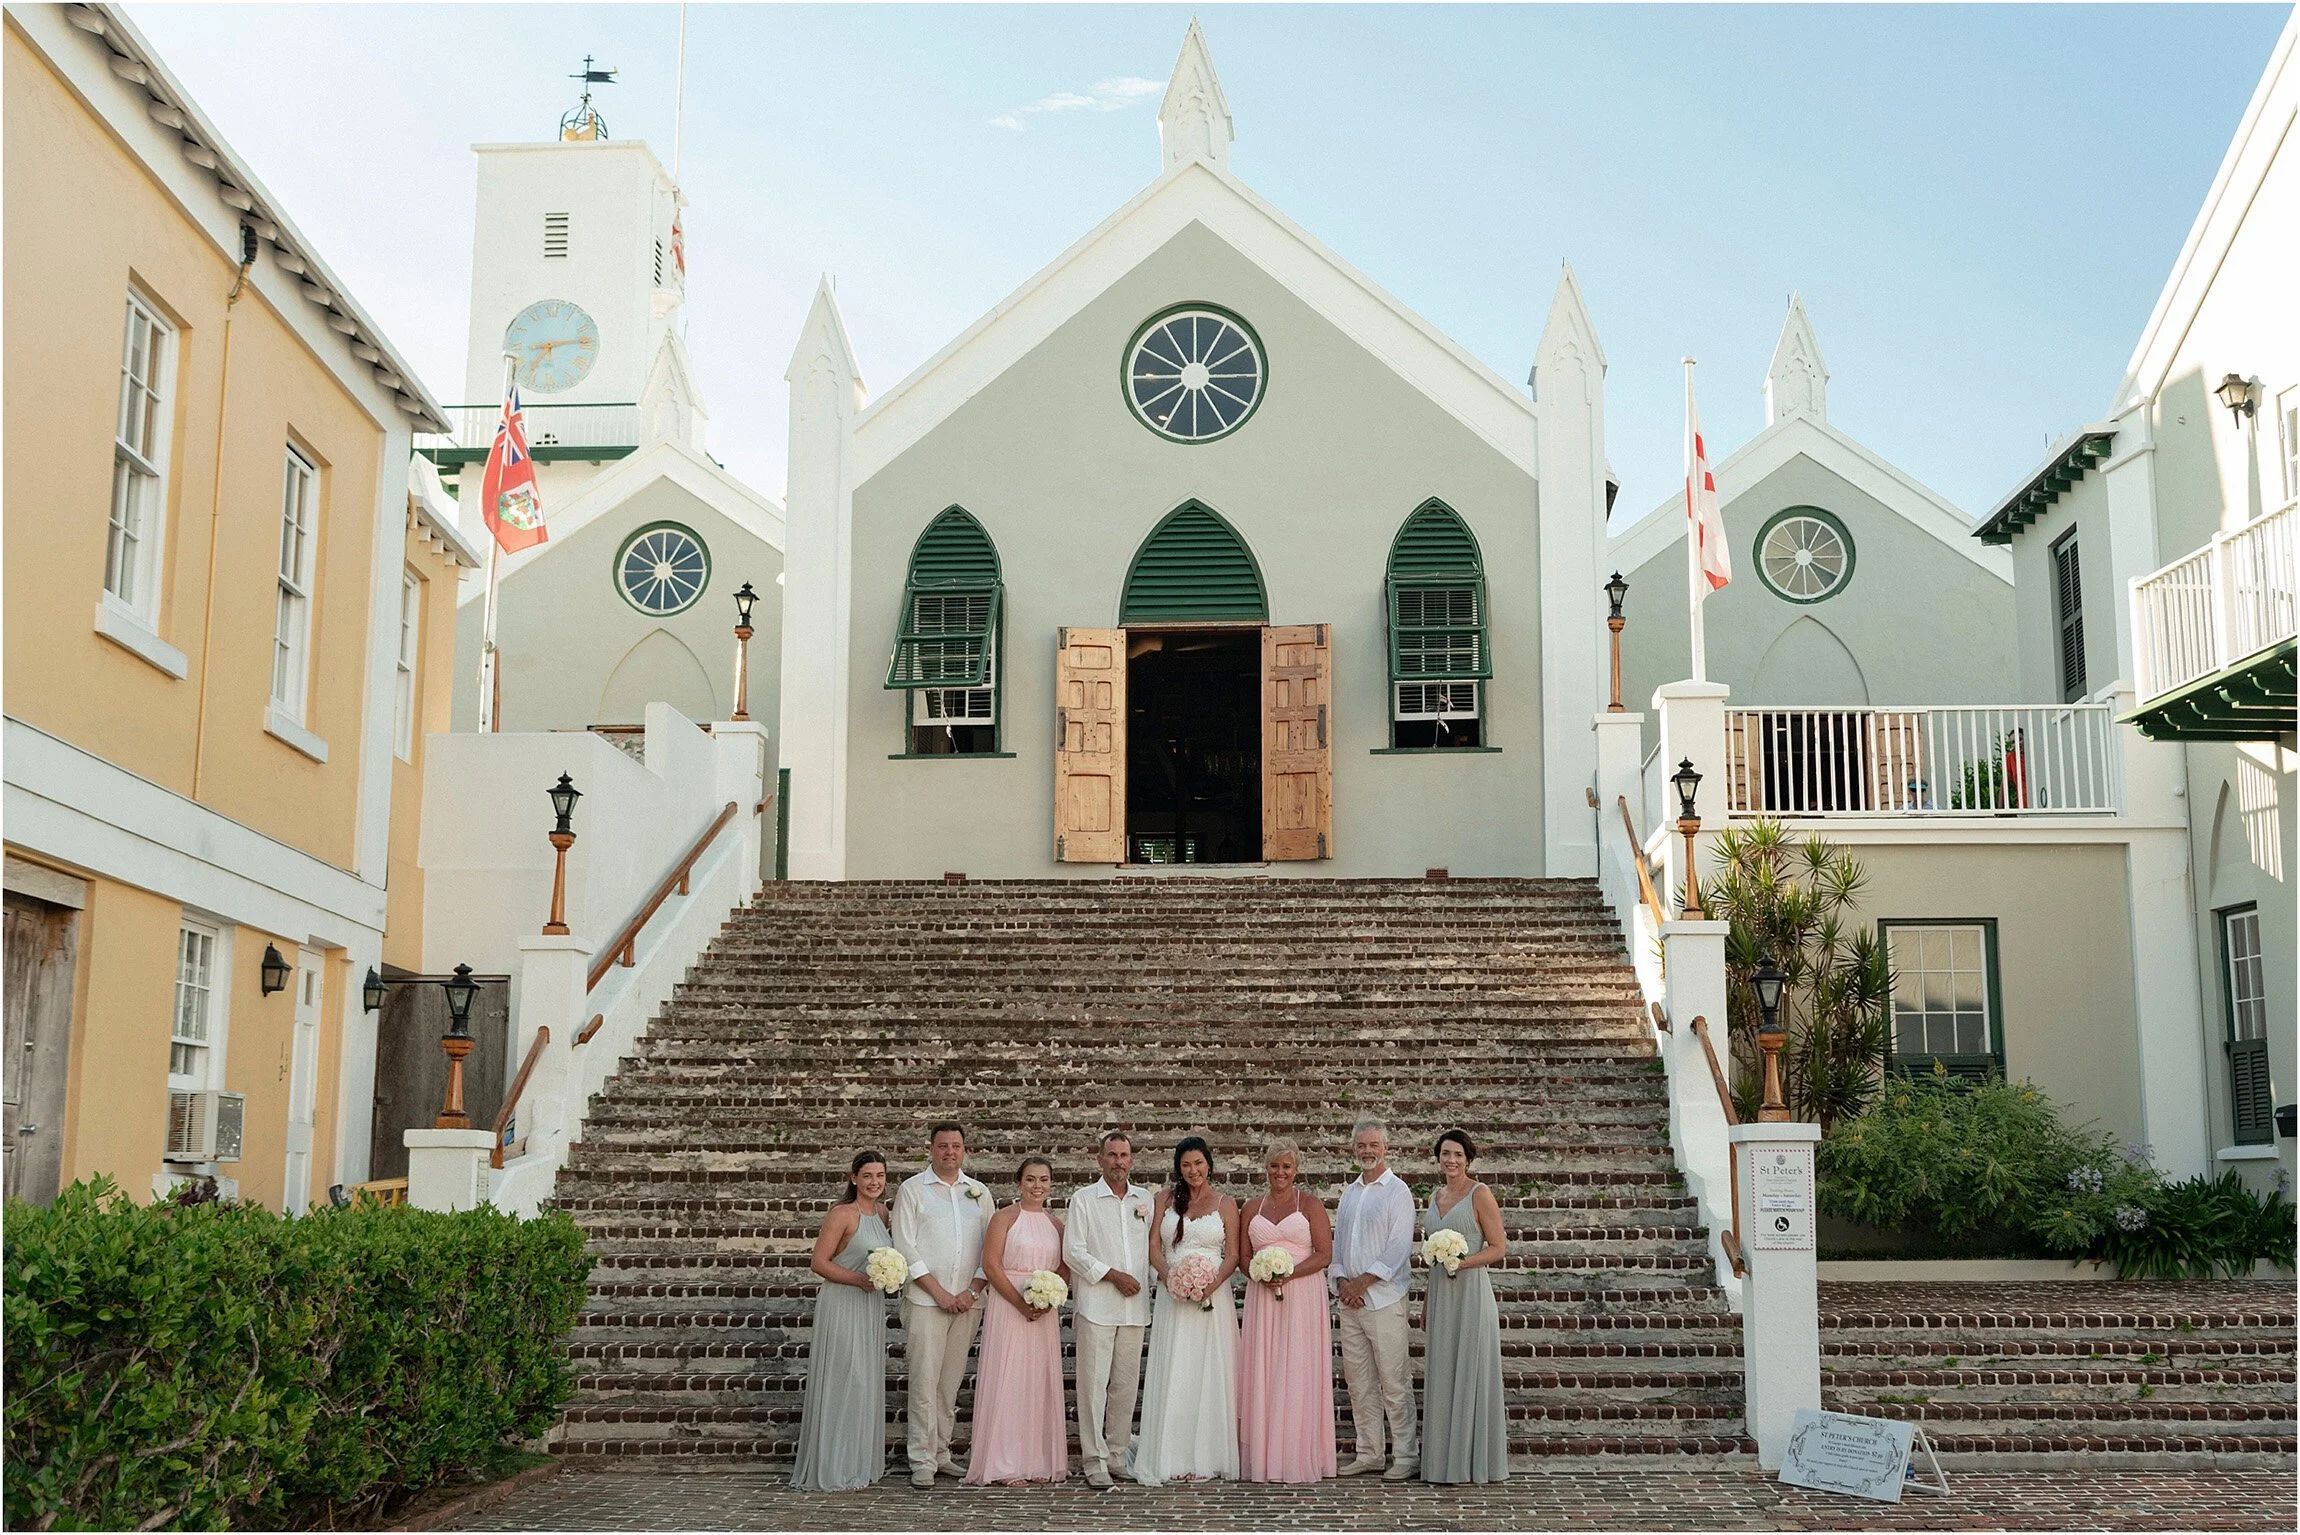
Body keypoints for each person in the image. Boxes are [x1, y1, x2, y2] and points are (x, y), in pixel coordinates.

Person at [1131, 1135, 1240, 1485]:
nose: (1193, 1170)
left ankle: (1207, 1456)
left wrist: (1210, 1285)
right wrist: (1170, 1278)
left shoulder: (1225, 1203)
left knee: (1208, 1372)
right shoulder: (1163, 1199)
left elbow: (1234, 1255)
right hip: (1172, 1296)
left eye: (1198, 1163)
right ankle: (1170, 1454)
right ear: (1178, 1168)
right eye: (1186, 1165)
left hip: (1213, 1297)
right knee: (1175, 1368)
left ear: (1209, 1163)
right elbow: (1153, 1247)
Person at [890, 1122, 992, 1487]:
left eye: (956, 1146)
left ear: (964, 1150)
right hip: (926, 1301)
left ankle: (942, 1452)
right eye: (943, 1146)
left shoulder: (979, 1193)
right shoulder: (913, 1190)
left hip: (968, 1303)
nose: (950, 1152)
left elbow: (990, 1248)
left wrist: (972, 1290)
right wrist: (939, 1292)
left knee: (949, 1384)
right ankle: (921, 1458)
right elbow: (905, 1244)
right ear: (931, 1149)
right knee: (924, 1382)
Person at [790, 1151, 896, 1491]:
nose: (874, 1182)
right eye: (867, 1175)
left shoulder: (882, 1213)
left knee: (865, 1380)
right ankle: (835, 1466)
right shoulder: (842, 1214)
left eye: (879, 1175)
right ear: (853, 1178)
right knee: (846, 1378)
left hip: (870, 1306)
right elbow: (818, 1263)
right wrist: (858, 1280)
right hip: (843, 1302)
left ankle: (858, 1462)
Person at [1236, 1138, 1336, 1483]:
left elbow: (1324, 1254)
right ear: (1266, 1168)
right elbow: (1244, 1257)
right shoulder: (1250, 1207)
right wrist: (1261, 1275)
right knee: (1265, 1367)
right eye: (1275, 1166)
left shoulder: (1309, 1204)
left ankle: (1295, 1452)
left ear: (1296, 1169)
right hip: (1263, 1297)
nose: (1280, 1172)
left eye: (1287, 1167)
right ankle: (1264, 1454)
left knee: (1297, 1367)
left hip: (1302, 1295)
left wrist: (1288, 1273)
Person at [966, 1157, 1070, 1485]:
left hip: (1043, 1312)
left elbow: (1065, 1267)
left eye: (1043, 1180)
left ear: (1051, 1184)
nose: (1037, 1186)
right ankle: (1003, 1463)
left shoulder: (1057, 1224)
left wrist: (1050, 1295)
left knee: (1038, 1381)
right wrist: (1020, 1303)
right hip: (1009, 1305)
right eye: (1030, 1180)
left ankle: (1037, 1461)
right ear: (1018, 1182)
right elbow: (991, 1265)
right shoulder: (1004, 1218)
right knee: (1008, 1378)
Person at [1063, 1130, 1155, 1489]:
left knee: (1126, 1386)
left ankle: (1117, 1455)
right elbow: (1074, 1251)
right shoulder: (1084, 1199)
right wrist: (1112, 1275)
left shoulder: (1143, 1199)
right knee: (1093, 1385)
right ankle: (1094, 1460)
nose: (1118, 1161)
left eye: (1124, 1155)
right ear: (1099, 1159)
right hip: (1097, 1306)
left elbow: (1150, 1250)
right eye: (1112, 1155)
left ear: (1131, 1160)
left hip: (1135, 1309)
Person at [1420, 1128, 1510, 1484]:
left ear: (1468, 1159)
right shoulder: (1434, 1196)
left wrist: (1463, 1261)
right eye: (1445, 1154)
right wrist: (1428, 1303)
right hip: (1441, 1294)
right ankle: (1442, 1463)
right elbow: (1430, 1260)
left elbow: (1499, 1247)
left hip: (1471, 1292)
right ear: (1438, 1158)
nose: (1451, 1160)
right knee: (1443, 1374)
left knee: (1471, 1373)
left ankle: (1472, 1463)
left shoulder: (1480, 1194)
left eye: (1458, 1154)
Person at [1331, 1117, 1419, 1480]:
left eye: (1373, 1145)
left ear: (1386, 1148)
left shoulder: (1397, 1192)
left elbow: (1398, 1249)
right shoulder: (1350, 1193)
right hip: (1350, 1304)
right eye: (1361, 1145)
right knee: (1359, 1382)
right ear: (1354, 1149)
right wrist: (1341, 1283)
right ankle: (1369, 1452)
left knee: (1394, 1381)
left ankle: (1405, 1456)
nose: (1367, 1151)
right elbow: (1339, 1245)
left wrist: (1363, 1283)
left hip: (1382, 1300)